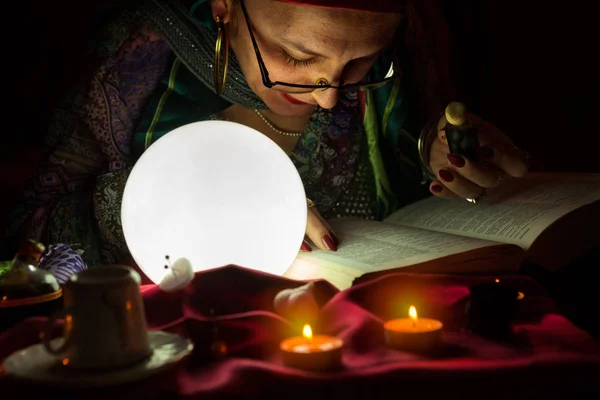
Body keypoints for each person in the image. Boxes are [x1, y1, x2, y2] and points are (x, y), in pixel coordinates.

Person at [4, 0, 528, 268]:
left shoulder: (402, 60)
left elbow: (412, 196)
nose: (329, 95)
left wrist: (430, 151)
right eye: (297, 56)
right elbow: (27, 238)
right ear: (223, 6)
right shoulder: (138, 62)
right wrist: (162, 201)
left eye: (361, 60)